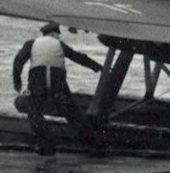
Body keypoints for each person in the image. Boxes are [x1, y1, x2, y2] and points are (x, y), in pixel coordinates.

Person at [11, 22, 103, 156]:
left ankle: (46, 147)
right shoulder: (59, 44)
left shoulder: (31, 43)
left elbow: (18, 61)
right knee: (73, 113)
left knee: (34, 111)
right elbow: (78, 57)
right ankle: (94, 147)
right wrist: (97, 67)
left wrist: (17, 81)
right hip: (58, 81)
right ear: (54, 34)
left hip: (37, 81)